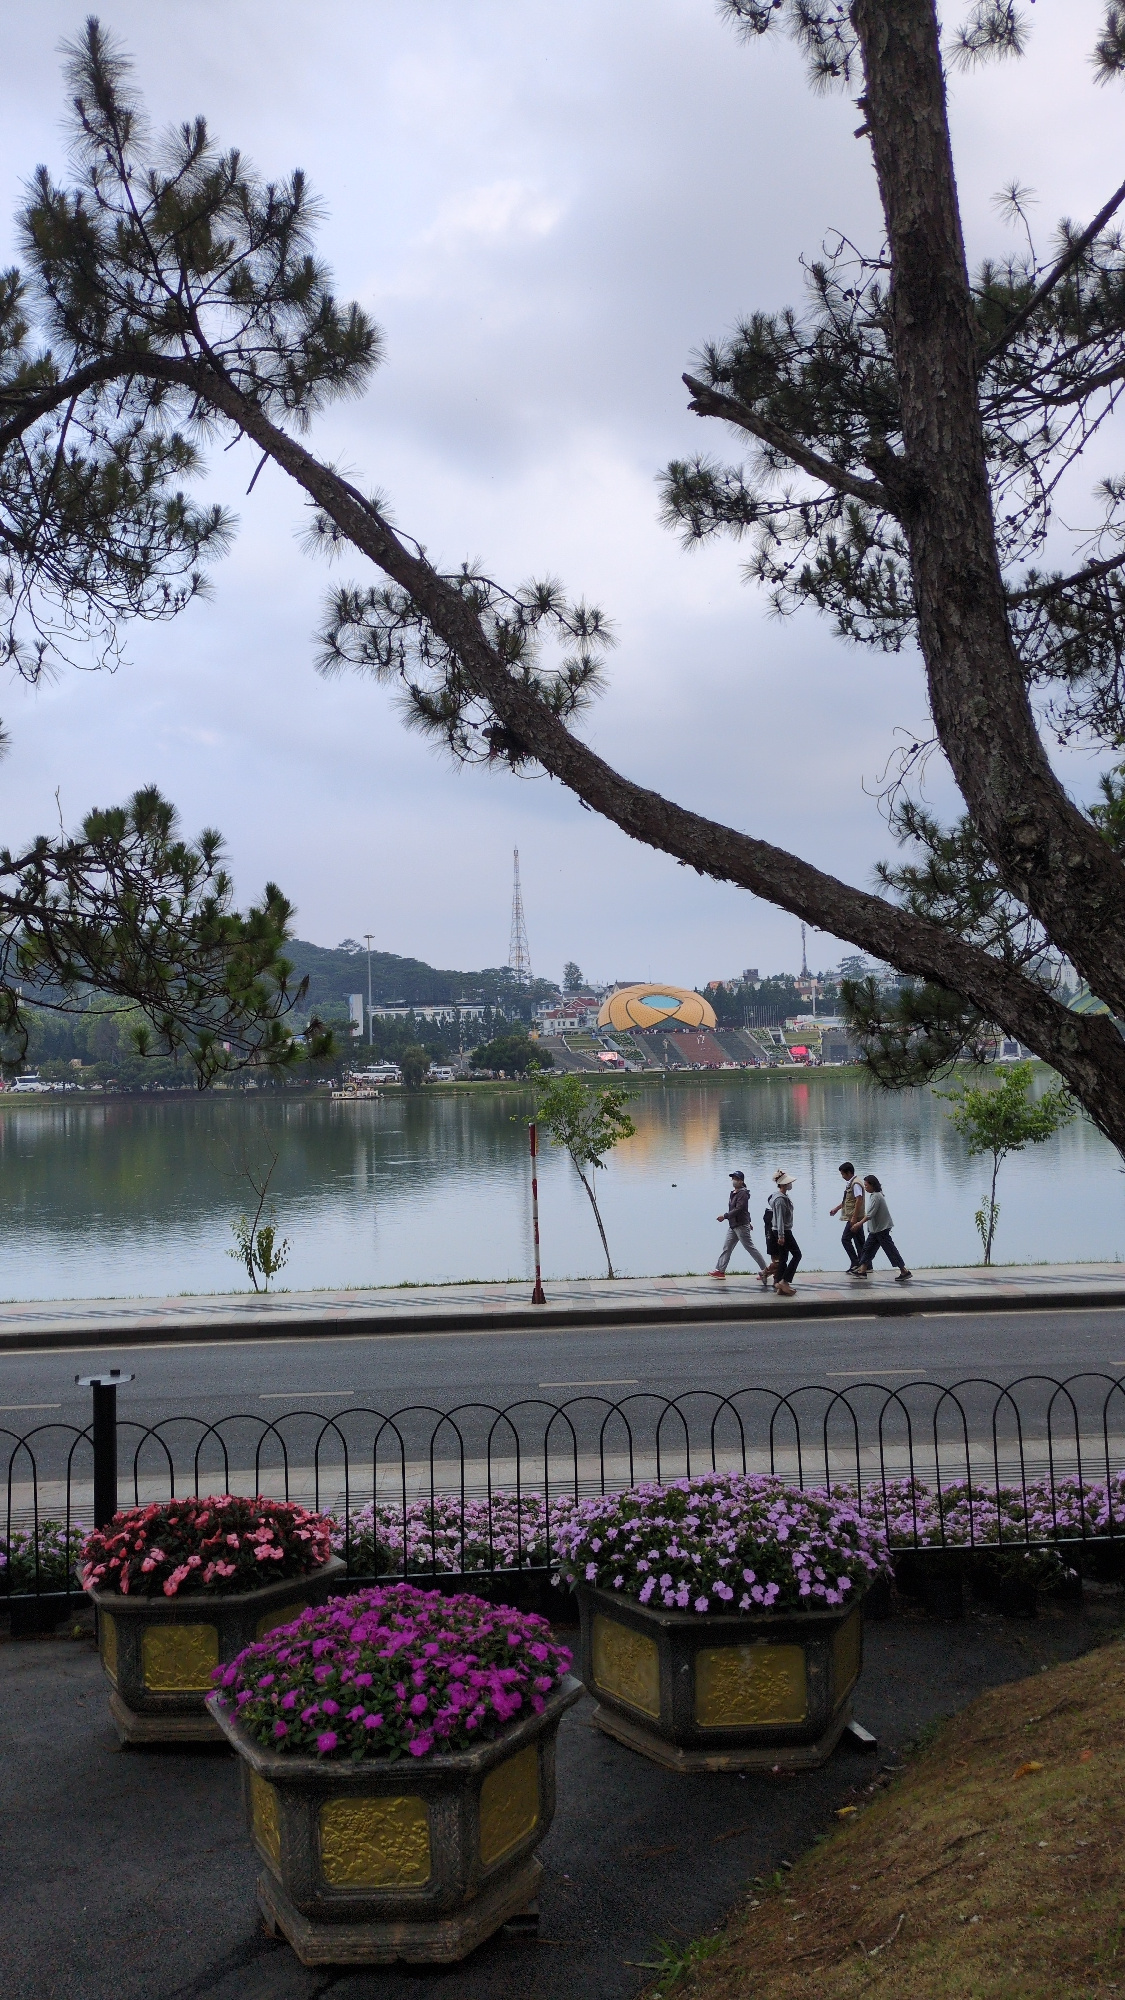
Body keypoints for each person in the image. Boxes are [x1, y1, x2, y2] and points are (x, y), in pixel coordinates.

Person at [711, 1170, 771, 1283]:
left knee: (750, 1248)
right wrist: (748, 1221)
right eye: (733, 1178)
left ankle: (765, 1271)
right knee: (727, 1247)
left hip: (741, 1226)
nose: (733, 1181)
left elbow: (739, 1209)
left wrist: (725, 1216)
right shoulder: (734, 1193)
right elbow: (744, 1211)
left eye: (736, 1179)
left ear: (741, 1181)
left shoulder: (743, 1194)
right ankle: (720, 1271)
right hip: (733, 1225)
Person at [854, 1175, 911, 1282]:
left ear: (872, 1185)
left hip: (881, 1229)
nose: (865, 1187)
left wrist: (859, 1224)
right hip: (876, 1230)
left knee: (890, 1250)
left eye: (866, 1185)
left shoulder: (876, 1196)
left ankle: (904, 1271)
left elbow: (870, 1214)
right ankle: (862, 1270)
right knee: (868, 1249)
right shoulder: (875, 1195)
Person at [829, 1160, 867, 1274]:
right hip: (855, 1217)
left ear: (849, 1172)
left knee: (845, 1239)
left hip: (854, 1218)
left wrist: (854, 1217)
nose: (842, 1177)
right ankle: (865, 1264)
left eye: (843, 1174)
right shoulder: (852, 1183)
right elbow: (848, 1200)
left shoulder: (855, 1184)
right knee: (860, 1241)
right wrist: (837, 1209)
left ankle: (855, 1263)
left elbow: (859, 1200)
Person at [768, 1168, 801, 1296]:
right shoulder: (780, 1200)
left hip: (779, 1230)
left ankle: (779, 1283)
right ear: (783, 1184)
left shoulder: (780, 1197)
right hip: (783, 1231)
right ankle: (785, 1281)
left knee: (783, 1257)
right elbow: (780, 1219)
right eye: (788, 1183)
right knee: (797, 1255)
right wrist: (781, 1236)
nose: (790, 1184)